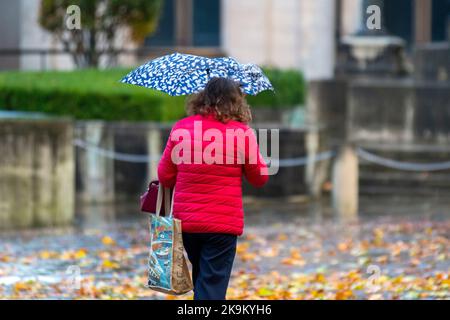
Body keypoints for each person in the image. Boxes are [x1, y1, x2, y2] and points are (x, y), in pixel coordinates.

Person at [157, 77, 269, 300]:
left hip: (187, 225)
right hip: (222, 225)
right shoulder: (242, 133)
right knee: (212, 286)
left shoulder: (181, 129)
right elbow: (260, 178)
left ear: (201, 98)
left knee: (204, 281)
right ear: (236, 101)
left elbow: (165, 176)